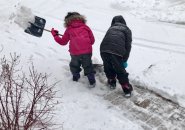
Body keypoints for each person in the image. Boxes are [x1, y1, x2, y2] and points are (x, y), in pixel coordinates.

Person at [51, 12, 96, 87]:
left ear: (67, 21)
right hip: (87, 52)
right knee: (88, 66)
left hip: (75, 53)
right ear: (80, 18)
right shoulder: (86, 27)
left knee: (74, 65)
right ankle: (92, 81)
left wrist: (55, 35)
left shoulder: (69, 30)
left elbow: (63, 42)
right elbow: (92, 41)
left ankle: (75, 78)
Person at [100, 15, 133, 97]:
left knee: (108, 66)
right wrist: (124, 60)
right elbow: (128, 46)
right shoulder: (127, 30)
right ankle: (126, 87)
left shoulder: (111, 28)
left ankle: (111, 81)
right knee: (120, 69)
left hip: (103, 49)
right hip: (117, 51)